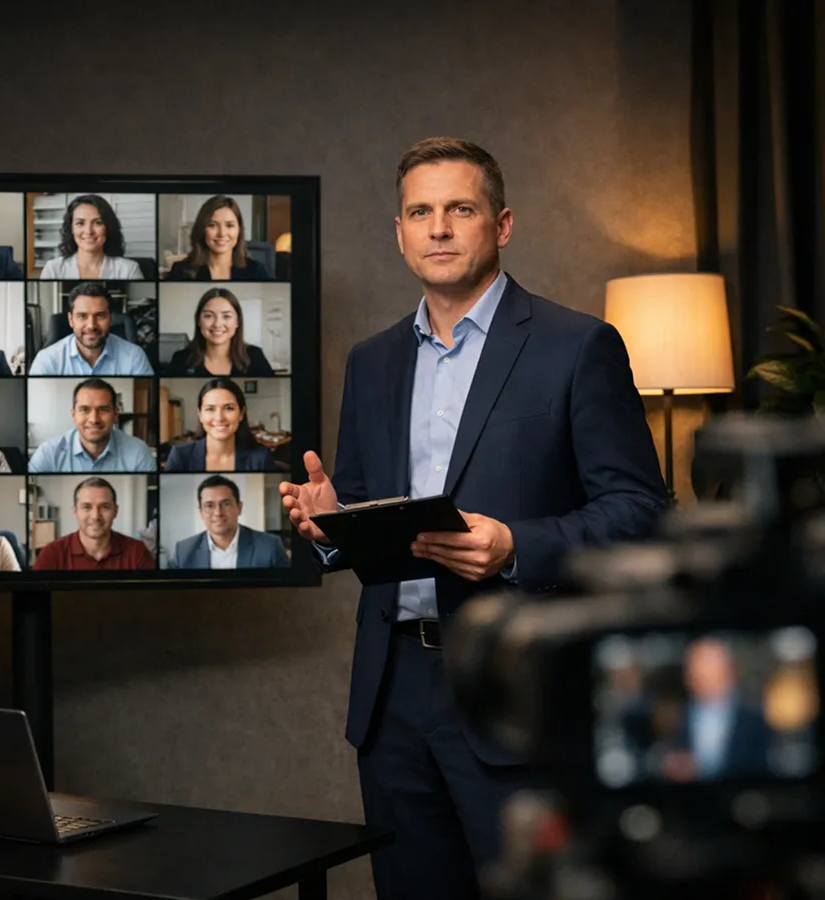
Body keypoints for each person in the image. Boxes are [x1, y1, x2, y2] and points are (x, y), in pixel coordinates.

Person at [278, 136, 667, 898]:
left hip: (512, 685)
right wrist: (331, 525)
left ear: (503, 223)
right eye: (420, 212)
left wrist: (517, 545)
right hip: (394, 700)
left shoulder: (577, 346)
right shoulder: (373, 359)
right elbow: (366, 512)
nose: (439, 228)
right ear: (398, 232)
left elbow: (641, 511)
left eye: (461, 209)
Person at [660, 636, 773, 781]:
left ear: (727, 669)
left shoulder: (754, 718)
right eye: (693, 666)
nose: (697, 673)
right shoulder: (675, 718)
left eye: (706, 664)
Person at [27, 378, 155, 473]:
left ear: (116, 414)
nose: (94, 419)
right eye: (84, 410)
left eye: (103, 409)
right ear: (73, 415)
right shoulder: (48, 453)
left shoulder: (138, 452)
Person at [28, 281, 153, 376]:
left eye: (100, 316)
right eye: (82, 316)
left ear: (110, 319)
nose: (91, 325)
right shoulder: (47, 359)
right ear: (71, 320)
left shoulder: (134, 356)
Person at [32, 477, 155, 570]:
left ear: (116, 511)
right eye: (87, 507)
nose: (96, 516)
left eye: (104, 507)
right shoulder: (51, 554)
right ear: (75, 511)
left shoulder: (137, 552)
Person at [169, 475, 289, 569]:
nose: (218, 513)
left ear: (239, 507)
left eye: (226, 504)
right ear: (201, 512)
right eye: (209, 505)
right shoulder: (183, 552)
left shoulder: (270, 546)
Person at [164, 377, 275, 472]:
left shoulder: (261, 457)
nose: (219, 418)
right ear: (200, 414)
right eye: (210, 409)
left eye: (228, 408)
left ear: (241, 414)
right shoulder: (180, 456)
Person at [163, 288, 275, 377]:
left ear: (237, 322)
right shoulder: (180, 359)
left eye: (226, 316)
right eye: (208, 316)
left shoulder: (255, 356)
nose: (217, 324)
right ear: (198, 321)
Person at [164, 195, 273, 282]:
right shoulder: (181, 270)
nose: (222, 233)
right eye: (212, 225)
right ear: (202, 229)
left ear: (239, 230)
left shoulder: (256, 271)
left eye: (229, 225)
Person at [38, 194, 145, 279]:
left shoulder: (129, 270)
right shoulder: (53, 269)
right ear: (71, 229)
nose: (88, 231)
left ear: (108, 227)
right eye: (80, 223)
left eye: (97, 222)